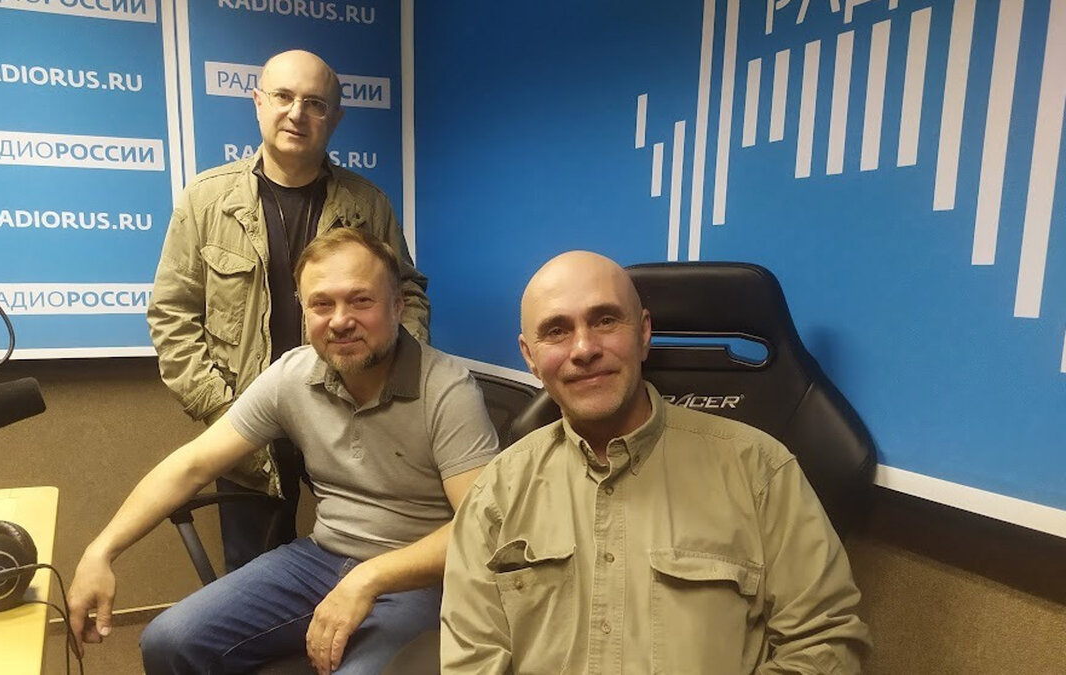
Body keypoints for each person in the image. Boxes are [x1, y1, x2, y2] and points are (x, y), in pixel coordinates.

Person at [70, 228, 494, 675]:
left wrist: (371, 577)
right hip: (322, 558)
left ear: (397, 306)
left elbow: (479, 530)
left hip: (420, 580)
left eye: (360, 301)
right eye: (322, 304)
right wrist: (101, 550)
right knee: (169, 641)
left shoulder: (447, 389)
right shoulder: (293, 375)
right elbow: (193, 464)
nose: (340, 320)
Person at [441, 251, 871, 673]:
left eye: (605, 320)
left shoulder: (759, 470)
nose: (584, 348)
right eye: (556, 330)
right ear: (530, 356)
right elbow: (471, 659)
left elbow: (825, 640)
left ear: (644, 332)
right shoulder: (496, 494)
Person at [147, 49, 430, 572]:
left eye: (315, 103)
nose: (297, 113)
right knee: (254, 574)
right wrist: (222, 411)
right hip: (247, 421)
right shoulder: (205, 202)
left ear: (335, 118)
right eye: (283, 97)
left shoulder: (368, 205)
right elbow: (171, 314)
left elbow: (406, 294)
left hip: (350, 417)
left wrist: (390, 384)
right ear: (258, 103)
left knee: (368, 560)